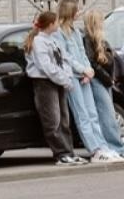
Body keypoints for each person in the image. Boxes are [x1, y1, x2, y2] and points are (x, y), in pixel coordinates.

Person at [56, 0, 124, 162]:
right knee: (82, 115)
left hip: (86, 76)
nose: (79, 13)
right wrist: (83, 69)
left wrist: (89, 71)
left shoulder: (75, 33)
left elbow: (82, 53)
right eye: (76, 10)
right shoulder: (60, 33)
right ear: (70, 12)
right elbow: (67, 57)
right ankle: (95, 150)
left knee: (92, 113)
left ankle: (104, 147)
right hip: (73, 77)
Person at [26, 12, 86, 166]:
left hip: (59, 82)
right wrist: (63, 79)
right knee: (53, 120)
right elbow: (46, 66)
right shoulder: (39, 42)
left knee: (64, 120)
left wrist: (66, 77)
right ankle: (61, 154)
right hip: (45, 83)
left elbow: (64, 59)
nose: (58, 24)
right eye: (56, 22)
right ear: (51, 24)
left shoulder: (54, 41)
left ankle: (69, 151)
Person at [83, 10, 124, 153]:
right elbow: (92, 62)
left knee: (109, 114)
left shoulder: (102, 40)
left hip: (106, 80)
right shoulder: (87, 39)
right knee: (107, 115)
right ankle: (116, 147)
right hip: (98, 80)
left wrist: (111, 78)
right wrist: (107, 79)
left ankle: (114, 146)